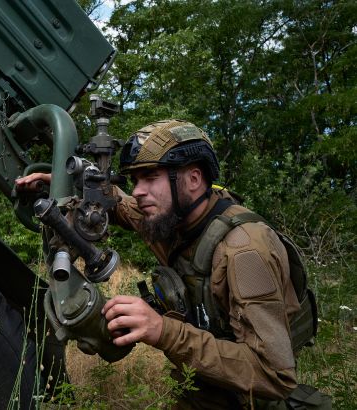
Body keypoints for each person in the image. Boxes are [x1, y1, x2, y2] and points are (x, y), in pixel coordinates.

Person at [16, 119, 318, 409]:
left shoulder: (244, 251)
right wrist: (62, 184)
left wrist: (163, 330)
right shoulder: (174, 218)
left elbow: (273, 375)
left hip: (252, 398)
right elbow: (119, 204)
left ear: (194, 179)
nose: (138, 191)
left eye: (150, 177)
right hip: (204, 385)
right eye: (135, 180)